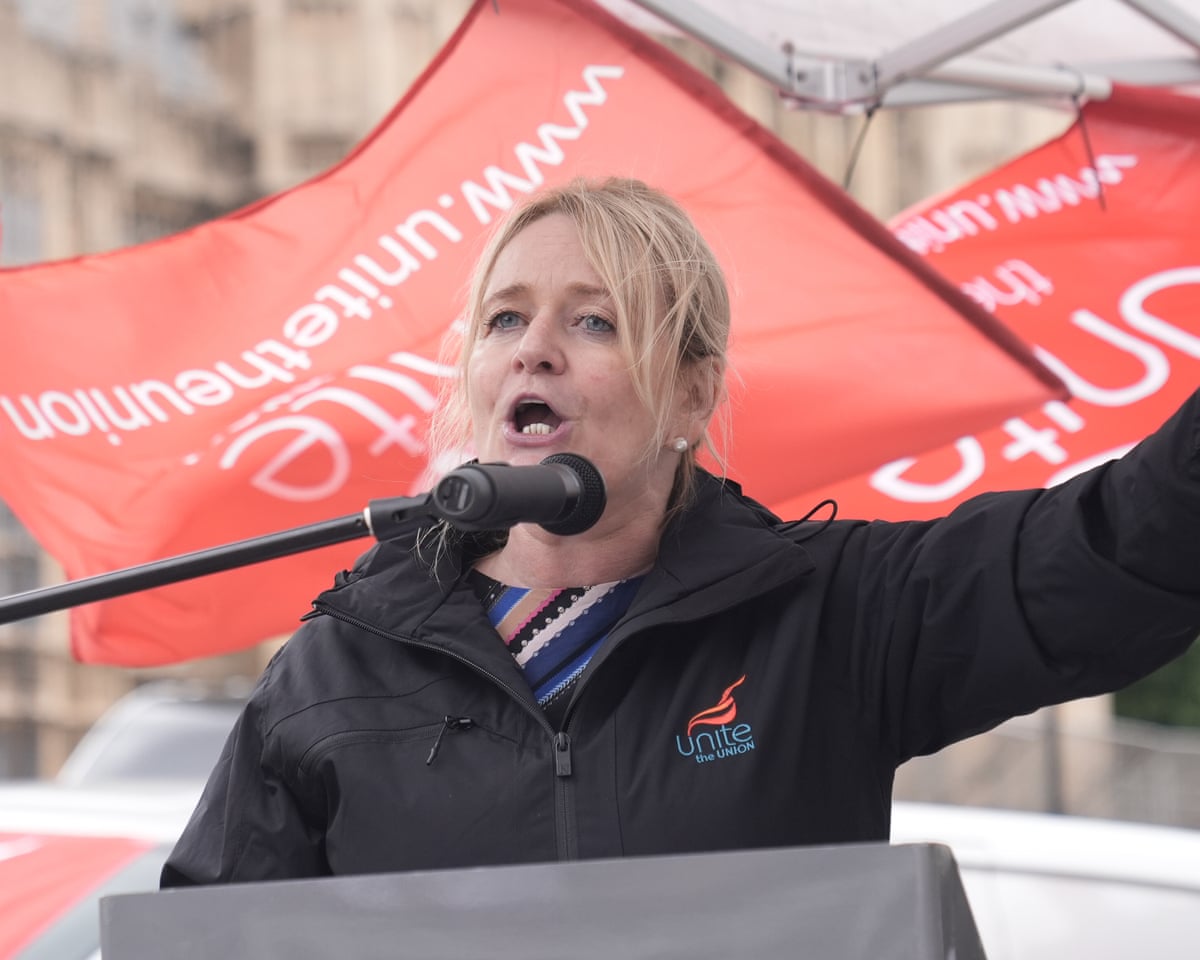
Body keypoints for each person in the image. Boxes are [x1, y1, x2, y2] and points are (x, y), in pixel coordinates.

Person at [161, 176, 1200, 886]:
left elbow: (1116, 552)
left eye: (595, 320)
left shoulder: (827, 613)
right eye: (505, 319)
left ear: (692, 398)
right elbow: (202, 934)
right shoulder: (335, 668)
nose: (535, 352)